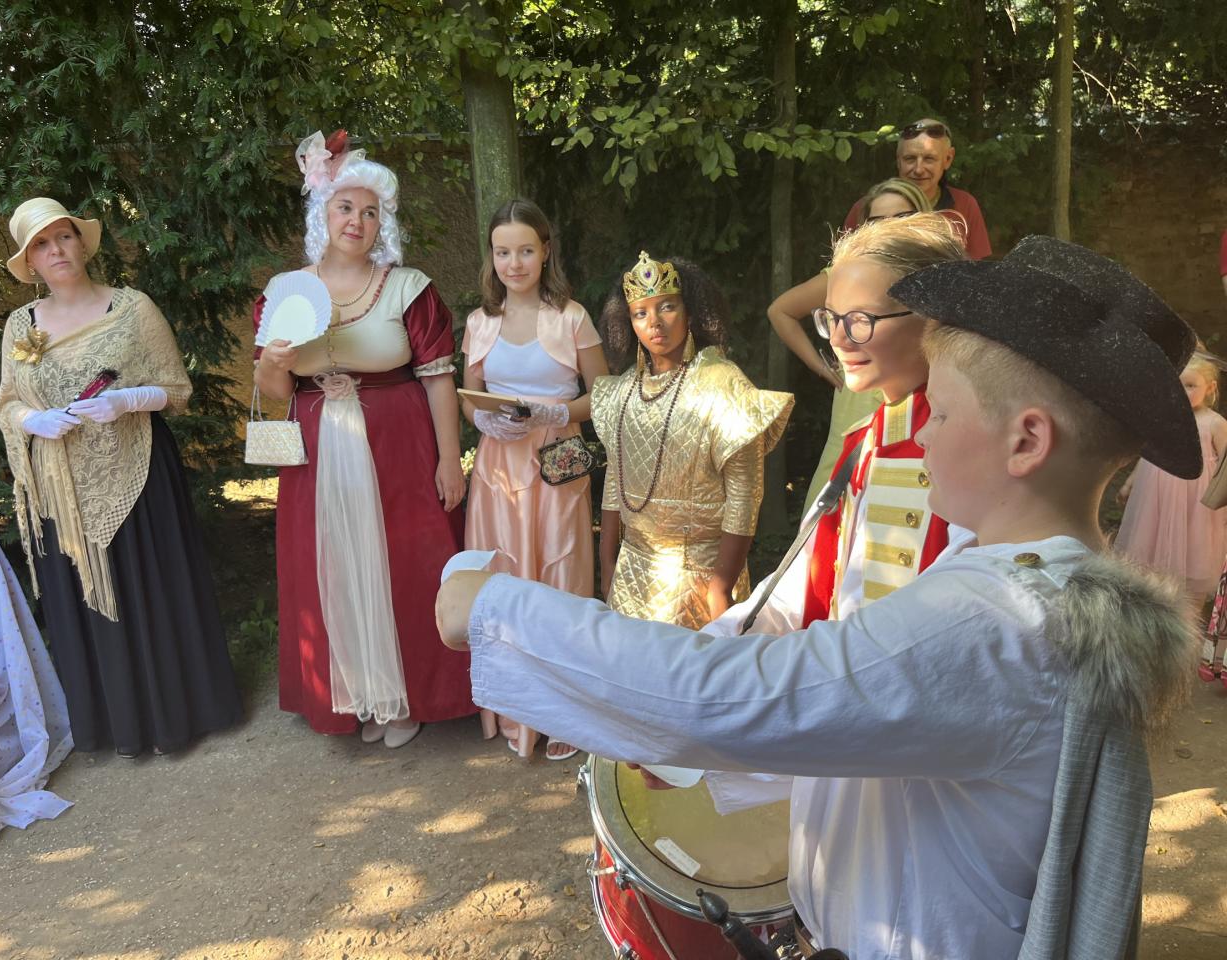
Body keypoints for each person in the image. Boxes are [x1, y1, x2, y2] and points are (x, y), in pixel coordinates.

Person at [438, 234, 1202, 960]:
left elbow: (737, 697)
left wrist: (496, 609)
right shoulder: (1022, 584)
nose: (921, 433)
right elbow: (883, 724)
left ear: (1026, 442)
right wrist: (705, 761)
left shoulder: (998, 620)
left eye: (942, 411)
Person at [0, 197, 241, 758]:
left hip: (140, 470)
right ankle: (118, 726)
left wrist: (127, 399)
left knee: (151, 588)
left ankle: (180, 717)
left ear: (82, 243)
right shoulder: (19, 326)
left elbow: (177, 389)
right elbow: (7, 404)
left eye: (64, 236)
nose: (56, 250)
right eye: (41, 244)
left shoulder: (132, 308)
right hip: (62, 489)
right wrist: (34, 420)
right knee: (87, 600)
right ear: (29, 262)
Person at [254, 130, 471, 748]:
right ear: (322, 215)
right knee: (333, 566)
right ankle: (356, 696)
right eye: (345, 207)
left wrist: (449, 460)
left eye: (370, 211)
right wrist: (272, 361)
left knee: (402, 562)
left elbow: (438, 380)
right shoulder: (284, 291)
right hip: (317, 450)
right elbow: (274, 391)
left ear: (384, 224)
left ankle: (408, 697)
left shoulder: (408, 287)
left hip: (399, 445)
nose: (357, 220)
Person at [460, 198, 608, 760]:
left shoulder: (571, 317)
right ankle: (516, 710)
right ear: (491, 256)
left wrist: (556, 412)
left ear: (545, 251)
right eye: (503, 252)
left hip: (558, 460)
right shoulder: (480, 322)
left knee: (560, 575)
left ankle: (567, 712)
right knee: (505, 578)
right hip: (498, 466)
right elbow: (469, 396)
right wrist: (482, 420)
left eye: (525, 250)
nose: (514, 263)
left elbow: (604, 395)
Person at [592, 252, 793, 629]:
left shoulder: (722, 384)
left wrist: (721, 585)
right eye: (640, 313)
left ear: (691, 311)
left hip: (700, 576)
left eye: (667, 307)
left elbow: (744, 494)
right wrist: (607, 563)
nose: (654, 323)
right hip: (631, 573)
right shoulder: (622, 391)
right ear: (628, 322)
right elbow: (615, 481)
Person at [767, 178, 935, 513]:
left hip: (923, 421)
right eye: (877, 221)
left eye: (902, 218)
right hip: (856, 412)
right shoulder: (846, 274)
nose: (890, 229)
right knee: (833, 513)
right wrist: (822, 366)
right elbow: (780, 311)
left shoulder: (941, 278)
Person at [1115, 347, 1227, 598]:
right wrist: (1131, 481)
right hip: (1157, 493)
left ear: (1210, 388)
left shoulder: (1214, 423)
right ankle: (1152, 596)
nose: (1182, 392)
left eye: (1191, 386)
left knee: (1193, 544)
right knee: (1151, 539)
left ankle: (1191, 602)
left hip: (1196, 499)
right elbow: (1151, 453)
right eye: (1177, 385)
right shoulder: (1165, 418)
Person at [843, 118, 992, 260]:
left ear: (948, 159)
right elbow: (843, 266)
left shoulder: (964, 205)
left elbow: (976, 270)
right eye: (910, 159)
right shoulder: (868, 209)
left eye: (929, 159)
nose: (919, 169)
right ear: (898, 161)